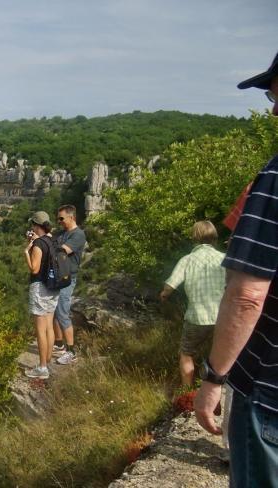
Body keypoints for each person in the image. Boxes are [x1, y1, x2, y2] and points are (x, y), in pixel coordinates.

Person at [194, 50, 278, 487]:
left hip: (268, 389)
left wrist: (214, 379)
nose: (275, 109)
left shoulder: (276, 175)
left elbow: (248, 294)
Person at [159, 221, 226, 386]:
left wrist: (163, 295)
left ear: (194, 238)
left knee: (186, 353)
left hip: (197, 317)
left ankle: (188, 392)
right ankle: (219, 388)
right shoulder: (224, 259)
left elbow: (170, 286)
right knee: (221, 354)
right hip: (222, 317)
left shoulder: (187, 260)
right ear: (215, 238)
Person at [24, 210, 59, 379]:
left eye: (33, 224)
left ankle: (42, 367)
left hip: (40, 288)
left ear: (37, 226)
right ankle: (48, 361)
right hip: (53, 287)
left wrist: (26, 252)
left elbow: (34, 268)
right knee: (49, 326)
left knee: (40, 330)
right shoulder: (52, 240)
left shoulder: (38, 245)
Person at [52, 204, 86, 365]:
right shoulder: (62, 233)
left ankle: (71, 351)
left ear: (71, 217)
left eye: (61, 218)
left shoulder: (78, 235)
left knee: (63, 313)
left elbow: (61, 250)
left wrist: (48, 246)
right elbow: (51, 244)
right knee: (55, 311)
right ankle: (59, 344)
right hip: (58, 277)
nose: (59, 221)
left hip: (68, 278)